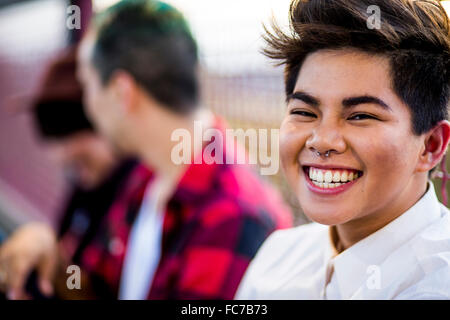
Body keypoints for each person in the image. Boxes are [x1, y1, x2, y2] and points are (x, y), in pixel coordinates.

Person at [76, 0, 292, 299]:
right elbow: (94, 285)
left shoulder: (231, 215)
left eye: (86, 85)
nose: (87, 104)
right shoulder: (147, 175)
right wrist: (43, 249)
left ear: (121, 92)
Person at [235, 0, 450, 299]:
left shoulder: (438, 284)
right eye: (305, 112)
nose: (322, 141)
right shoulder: (278, 257)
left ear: (431, 145)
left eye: (361, 116)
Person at [0, 47, 144, 299]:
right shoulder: (85, 189)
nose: (60, 153)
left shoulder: (141, 196)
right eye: (49, 132)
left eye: (71, 128)